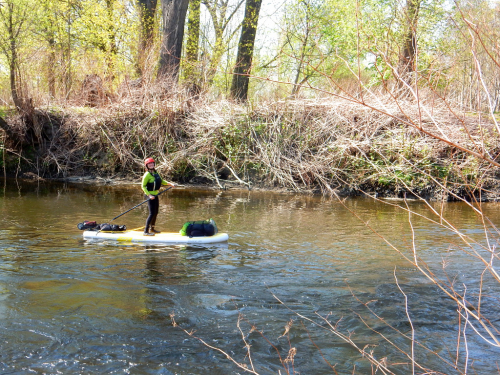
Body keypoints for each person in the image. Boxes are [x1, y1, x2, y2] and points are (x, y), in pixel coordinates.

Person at [141, 157, 175, 236]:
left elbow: (162, 181)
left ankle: (152, 228)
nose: (151, 164)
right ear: (147, 165)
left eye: (152, 163)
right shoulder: (147, 175)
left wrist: (170, 184)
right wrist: (149, 195)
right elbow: (143, 186)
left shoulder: (156, 173)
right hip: (149, 195)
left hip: (155, 195)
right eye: (149, 164)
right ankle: (145, 231)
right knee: (151, 213)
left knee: (156, 212)